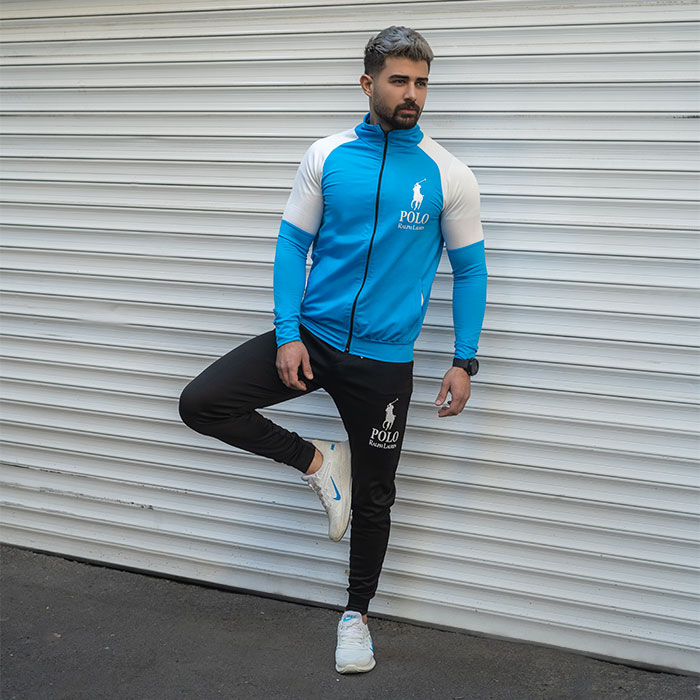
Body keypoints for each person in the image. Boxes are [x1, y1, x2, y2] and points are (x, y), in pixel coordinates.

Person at [178, 25, 487, 674]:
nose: (412, 94)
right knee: (202, 403)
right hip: (313, 340)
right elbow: (293, 245)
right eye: (399, 80)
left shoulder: (448, 174)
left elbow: (470, 270)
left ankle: (356, 616)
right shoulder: (327, 155)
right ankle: (318, 461)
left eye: (422, 82)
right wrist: (287, 333)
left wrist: (463, 359)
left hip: (384, 363)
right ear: (368, 83)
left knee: (375, 496)